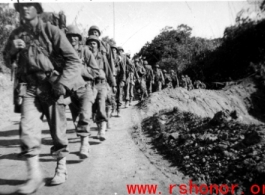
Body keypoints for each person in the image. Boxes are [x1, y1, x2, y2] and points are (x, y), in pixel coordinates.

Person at [3, 3, 86, 193]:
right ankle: (34, 176)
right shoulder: (17, 33)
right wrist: (12, 51)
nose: (25, 9)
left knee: (58, 131)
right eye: (22, 6)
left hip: (51, 86)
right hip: (28, 88)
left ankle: (61, 167)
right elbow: (7, 62)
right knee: (27, 127)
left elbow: (74, 60)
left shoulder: (52, 31)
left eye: (29, 5)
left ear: (37, 10)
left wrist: (63, 84)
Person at [66, 25, 99, 159]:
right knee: (75, 119)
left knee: (85, 116)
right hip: (70, 90)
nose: (73, 38)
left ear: (79, 38)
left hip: (85, 88)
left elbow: (96, 70)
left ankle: (84, 144)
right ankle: (84, 140)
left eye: (75, 36)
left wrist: (82, 70)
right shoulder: (63, 53)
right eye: (70, 36)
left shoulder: (85, 51)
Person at [86, 35, 115, 140]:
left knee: (101, 103)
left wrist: (113, 84)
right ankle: (98, 127)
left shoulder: (101, 56)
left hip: (102, 83)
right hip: (89, 84)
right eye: (89, 43)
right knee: (93, 107)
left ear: (97, 46)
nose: (92, 45)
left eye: (94, 43)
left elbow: (108, 70)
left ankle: (102, 130)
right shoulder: (85, 56)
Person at [110, 44, 126, 116]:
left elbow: (123, 71)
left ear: (116, 51)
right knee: (112, 95)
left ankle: (118, 110)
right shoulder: (108, 59)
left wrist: (123, 80)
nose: (113, 51)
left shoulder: (119, 59)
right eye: (112, 50)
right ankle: (113, 109)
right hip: (111, 79)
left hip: (119, 79)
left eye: (114, 50)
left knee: (119, 94)